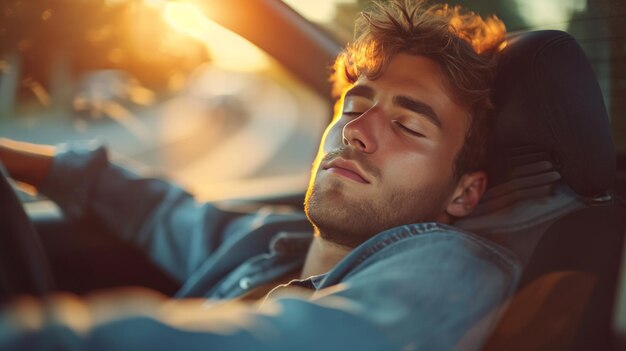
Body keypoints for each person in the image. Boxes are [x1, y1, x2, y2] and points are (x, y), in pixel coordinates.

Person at [0, 1, 520, 350]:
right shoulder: (269, 241)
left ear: (464, 192)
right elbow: (157, 210)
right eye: (353, 106)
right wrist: (16, 159)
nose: (356, 131)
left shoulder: (454, 268)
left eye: (407, 124)